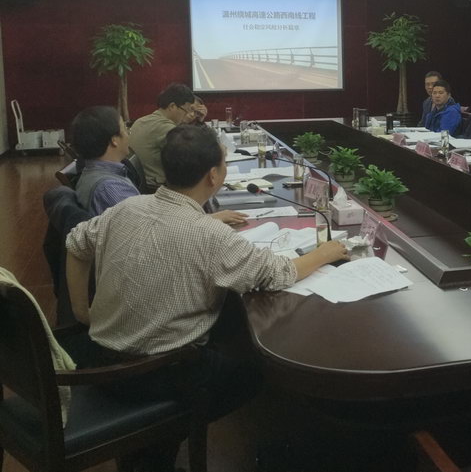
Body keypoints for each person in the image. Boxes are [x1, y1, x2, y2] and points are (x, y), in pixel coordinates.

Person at [66, 124, 349, 470]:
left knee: (228, 326)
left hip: (99, 357)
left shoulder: (128, 208)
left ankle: (151, 452)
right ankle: (160, 440)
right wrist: (326, 252)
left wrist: (82, 311)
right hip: (156, 373)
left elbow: (75, 244)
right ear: (213, 175)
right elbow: (278, 273)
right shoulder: (209, 234)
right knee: (257, 369)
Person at [69, 106, 139, 215]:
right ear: (114, 140)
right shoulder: (111, 188)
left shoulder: (91, 173)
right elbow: (140, 224)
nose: (128, 134)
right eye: (125, 129)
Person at [129, 83, 197, 190]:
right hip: (156, 187)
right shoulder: (164, 127)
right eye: (186, 111)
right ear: (172, 106)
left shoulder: (141, 120)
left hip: (140, 184)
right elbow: (191, 152)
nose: (187, 115)